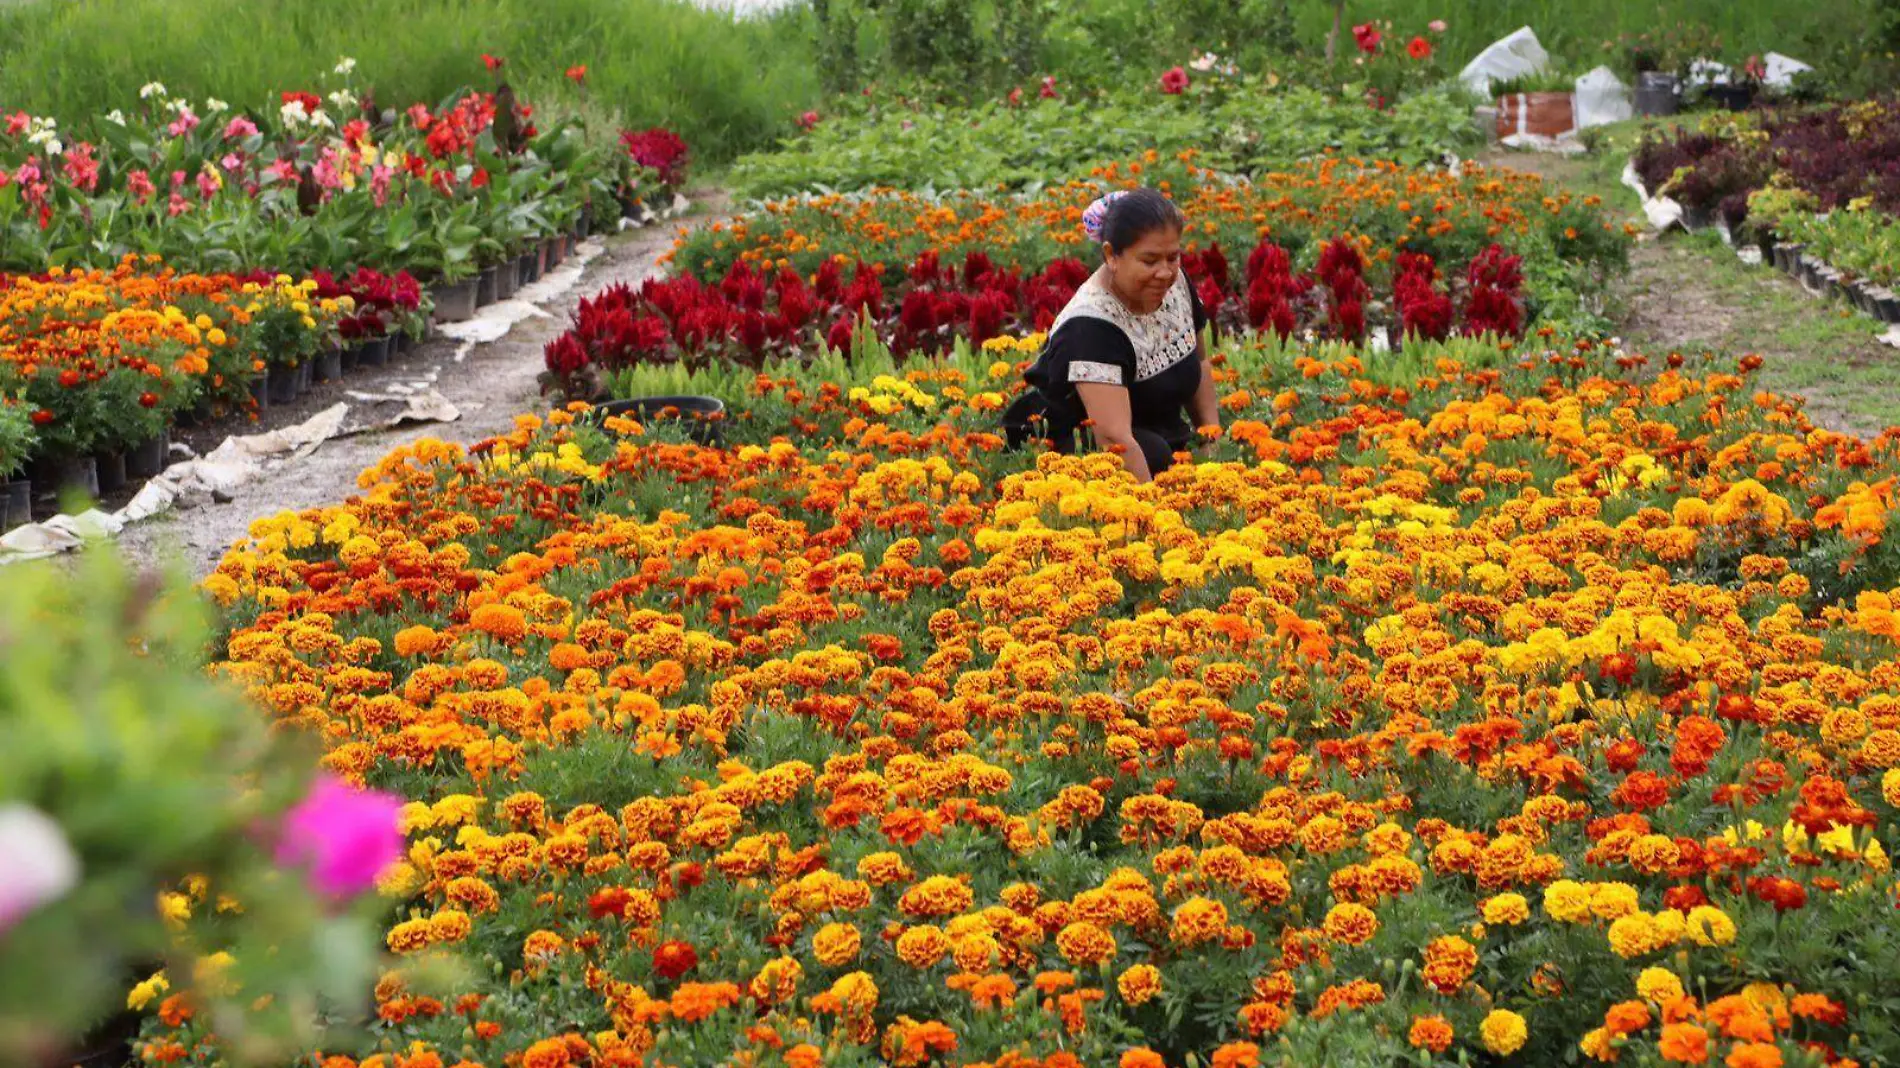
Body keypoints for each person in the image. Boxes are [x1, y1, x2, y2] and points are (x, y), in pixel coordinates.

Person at [1004, 187, 1220, 482]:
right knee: (1155, 453)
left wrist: (1212, 441)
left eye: (1173, 257)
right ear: (1111, 256)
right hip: (1075, 443)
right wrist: (1156, 514)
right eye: (1149, 260)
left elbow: (1201, 361)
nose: (1165, 272)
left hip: (1152, 427)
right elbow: (1113, 439)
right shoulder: (1090, 327)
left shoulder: (1175, 284)